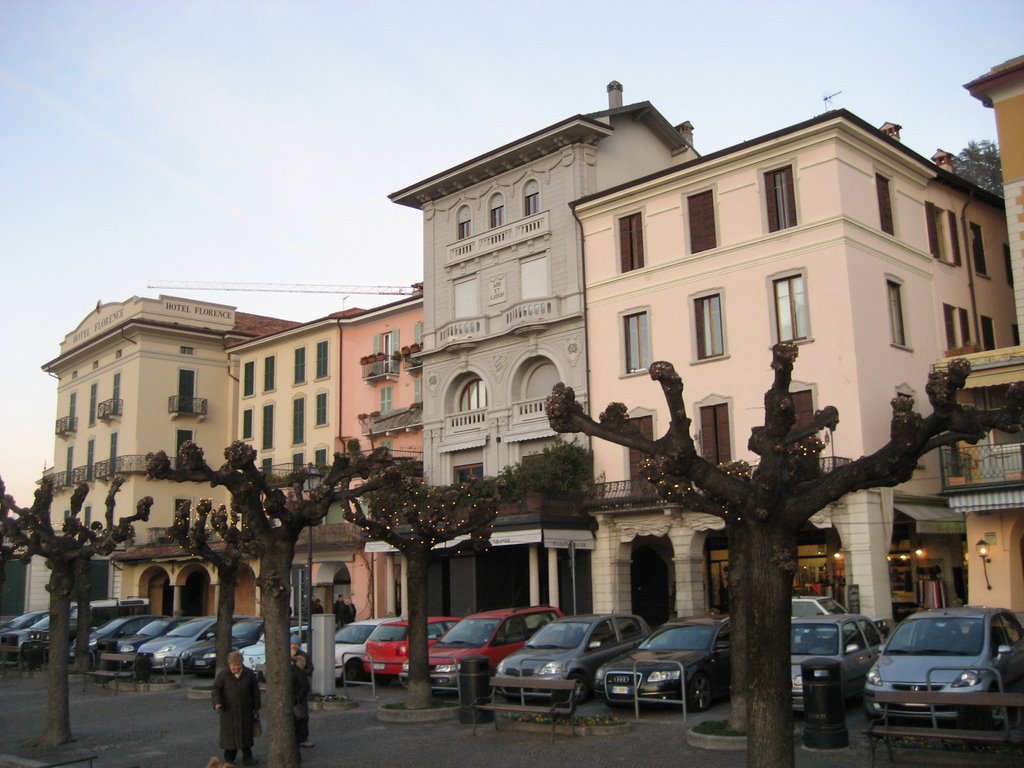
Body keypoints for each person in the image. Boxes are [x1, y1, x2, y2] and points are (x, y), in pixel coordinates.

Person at [212, 650, 261, 767]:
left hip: (246, 710)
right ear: (230, 664)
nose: (236, 667)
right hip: (229, 711)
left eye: (238, 665)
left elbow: (255, 692)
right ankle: (229, 759)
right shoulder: (223, 675)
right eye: (234, 665)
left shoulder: (249, 674)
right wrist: (217, 703)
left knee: (246, 738)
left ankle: (248, 759)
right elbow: (216, 690)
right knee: (230, 739)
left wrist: (256, 707)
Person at [291, 654, 313, 749]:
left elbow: (304, 686)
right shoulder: (298, 671)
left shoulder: (296, 671)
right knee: (301, 719)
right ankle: (302, 738)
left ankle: (302, 738)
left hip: (297, 698)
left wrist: (297, 697)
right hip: (297, 698)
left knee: (301, 718)